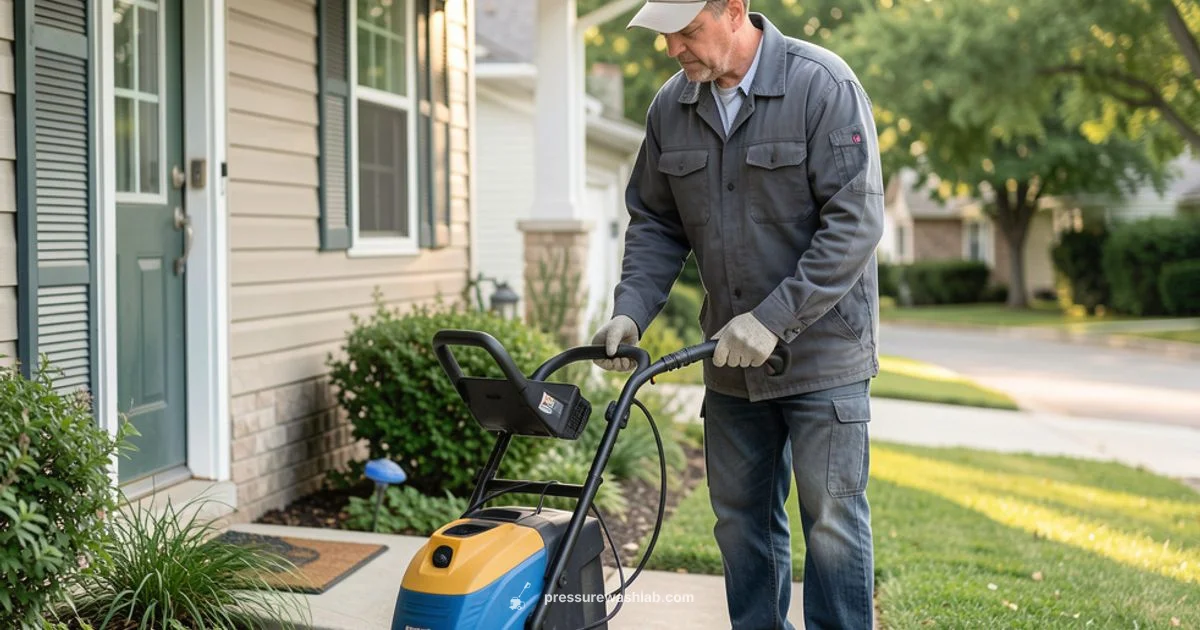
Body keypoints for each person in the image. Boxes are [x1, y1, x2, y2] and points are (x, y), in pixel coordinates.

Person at [590, 1, 885, 628]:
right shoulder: (671, 107)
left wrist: (774, 318)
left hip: (823, 359)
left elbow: (855, 222)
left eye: (687, 31)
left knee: (830, 524)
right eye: (665, 35)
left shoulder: (822, 85)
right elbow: (656, 224)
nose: (673, 48)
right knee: (741, 524)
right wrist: (631, 310)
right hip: (730, 366)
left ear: (734, 10)